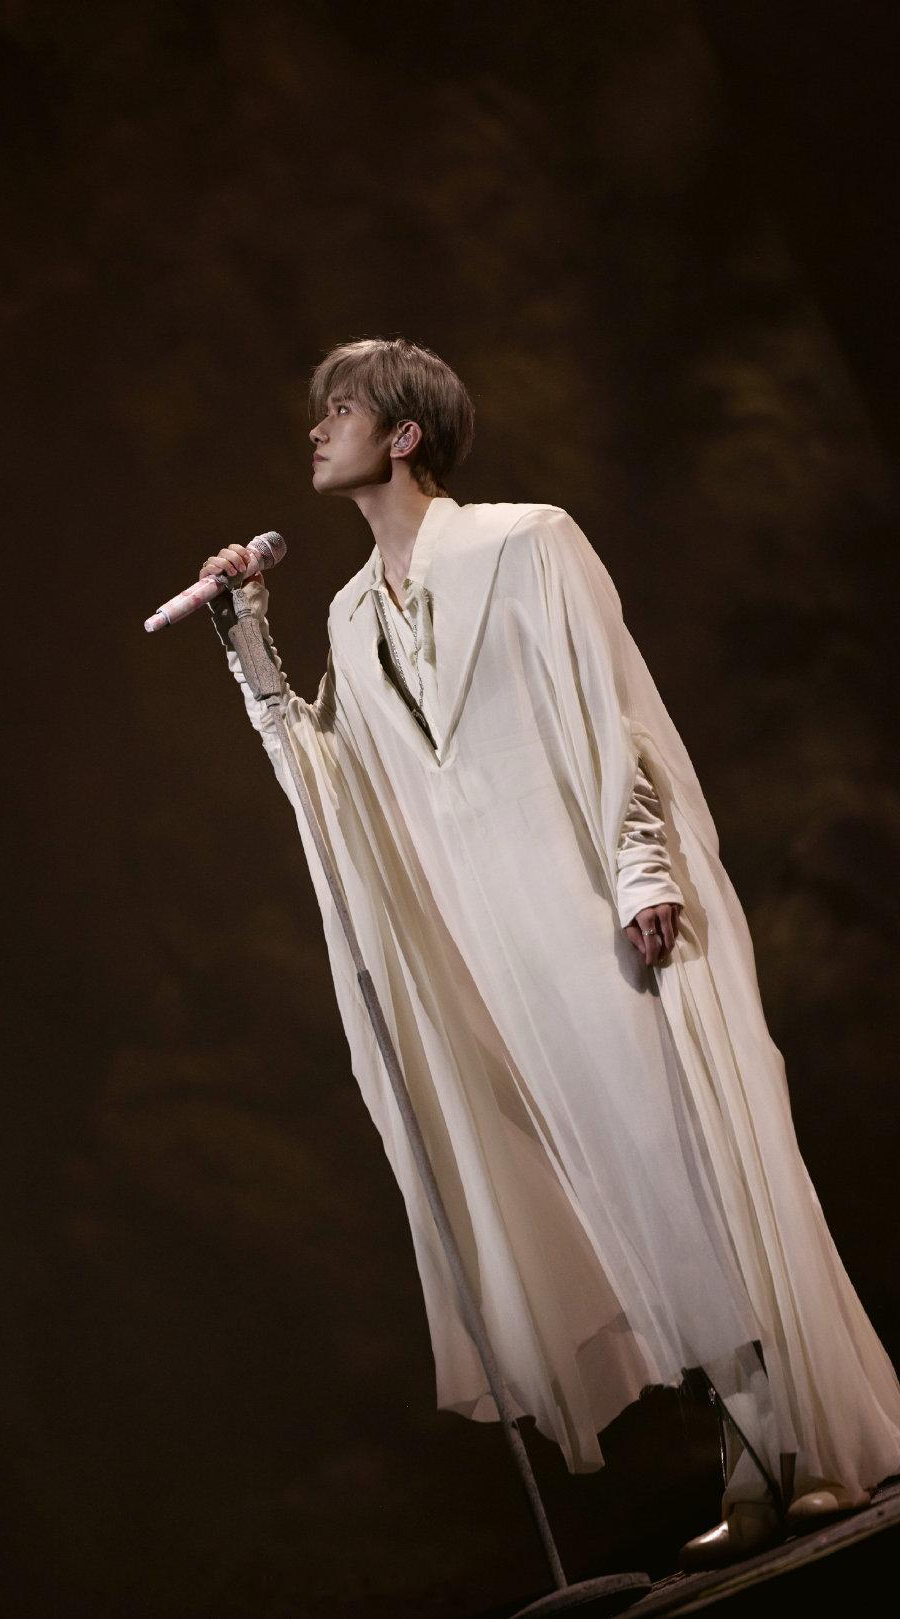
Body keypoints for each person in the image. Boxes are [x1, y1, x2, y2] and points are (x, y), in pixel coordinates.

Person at [198, 336, 900, 1569]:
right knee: (630, 1193)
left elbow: (611, 707)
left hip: (599, 907)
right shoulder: (350, 615)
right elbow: (339, 786)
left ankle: (818, 1439)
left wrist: (642, 866)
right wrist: (248, 638)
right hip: (502, 948)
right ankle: (752, 1451)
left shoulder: (528, 541)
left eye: (340, 409)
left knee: (703, 1162)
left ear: (403, 433)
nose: (316, 430)